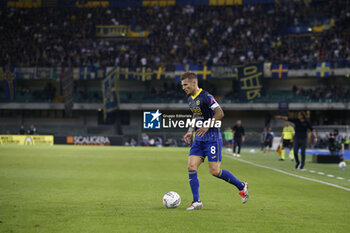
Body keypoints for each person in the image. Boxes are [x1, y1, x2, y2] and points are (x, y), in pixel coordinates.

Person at [181, 72, 248, 210]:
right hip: (199, 139)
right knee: (191, 166)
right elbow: (196, 114)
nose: (183, 87)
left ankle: (241, 186)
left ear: (194, 83)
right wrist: (189, 130)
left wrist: (207, 125)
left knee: (215, 171)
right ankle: (196, 201)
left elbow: (220, 113)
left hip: (212, 139)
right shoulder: (190, 99)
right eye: (182, 85)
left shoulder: (206, 96)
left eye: (185, 85)